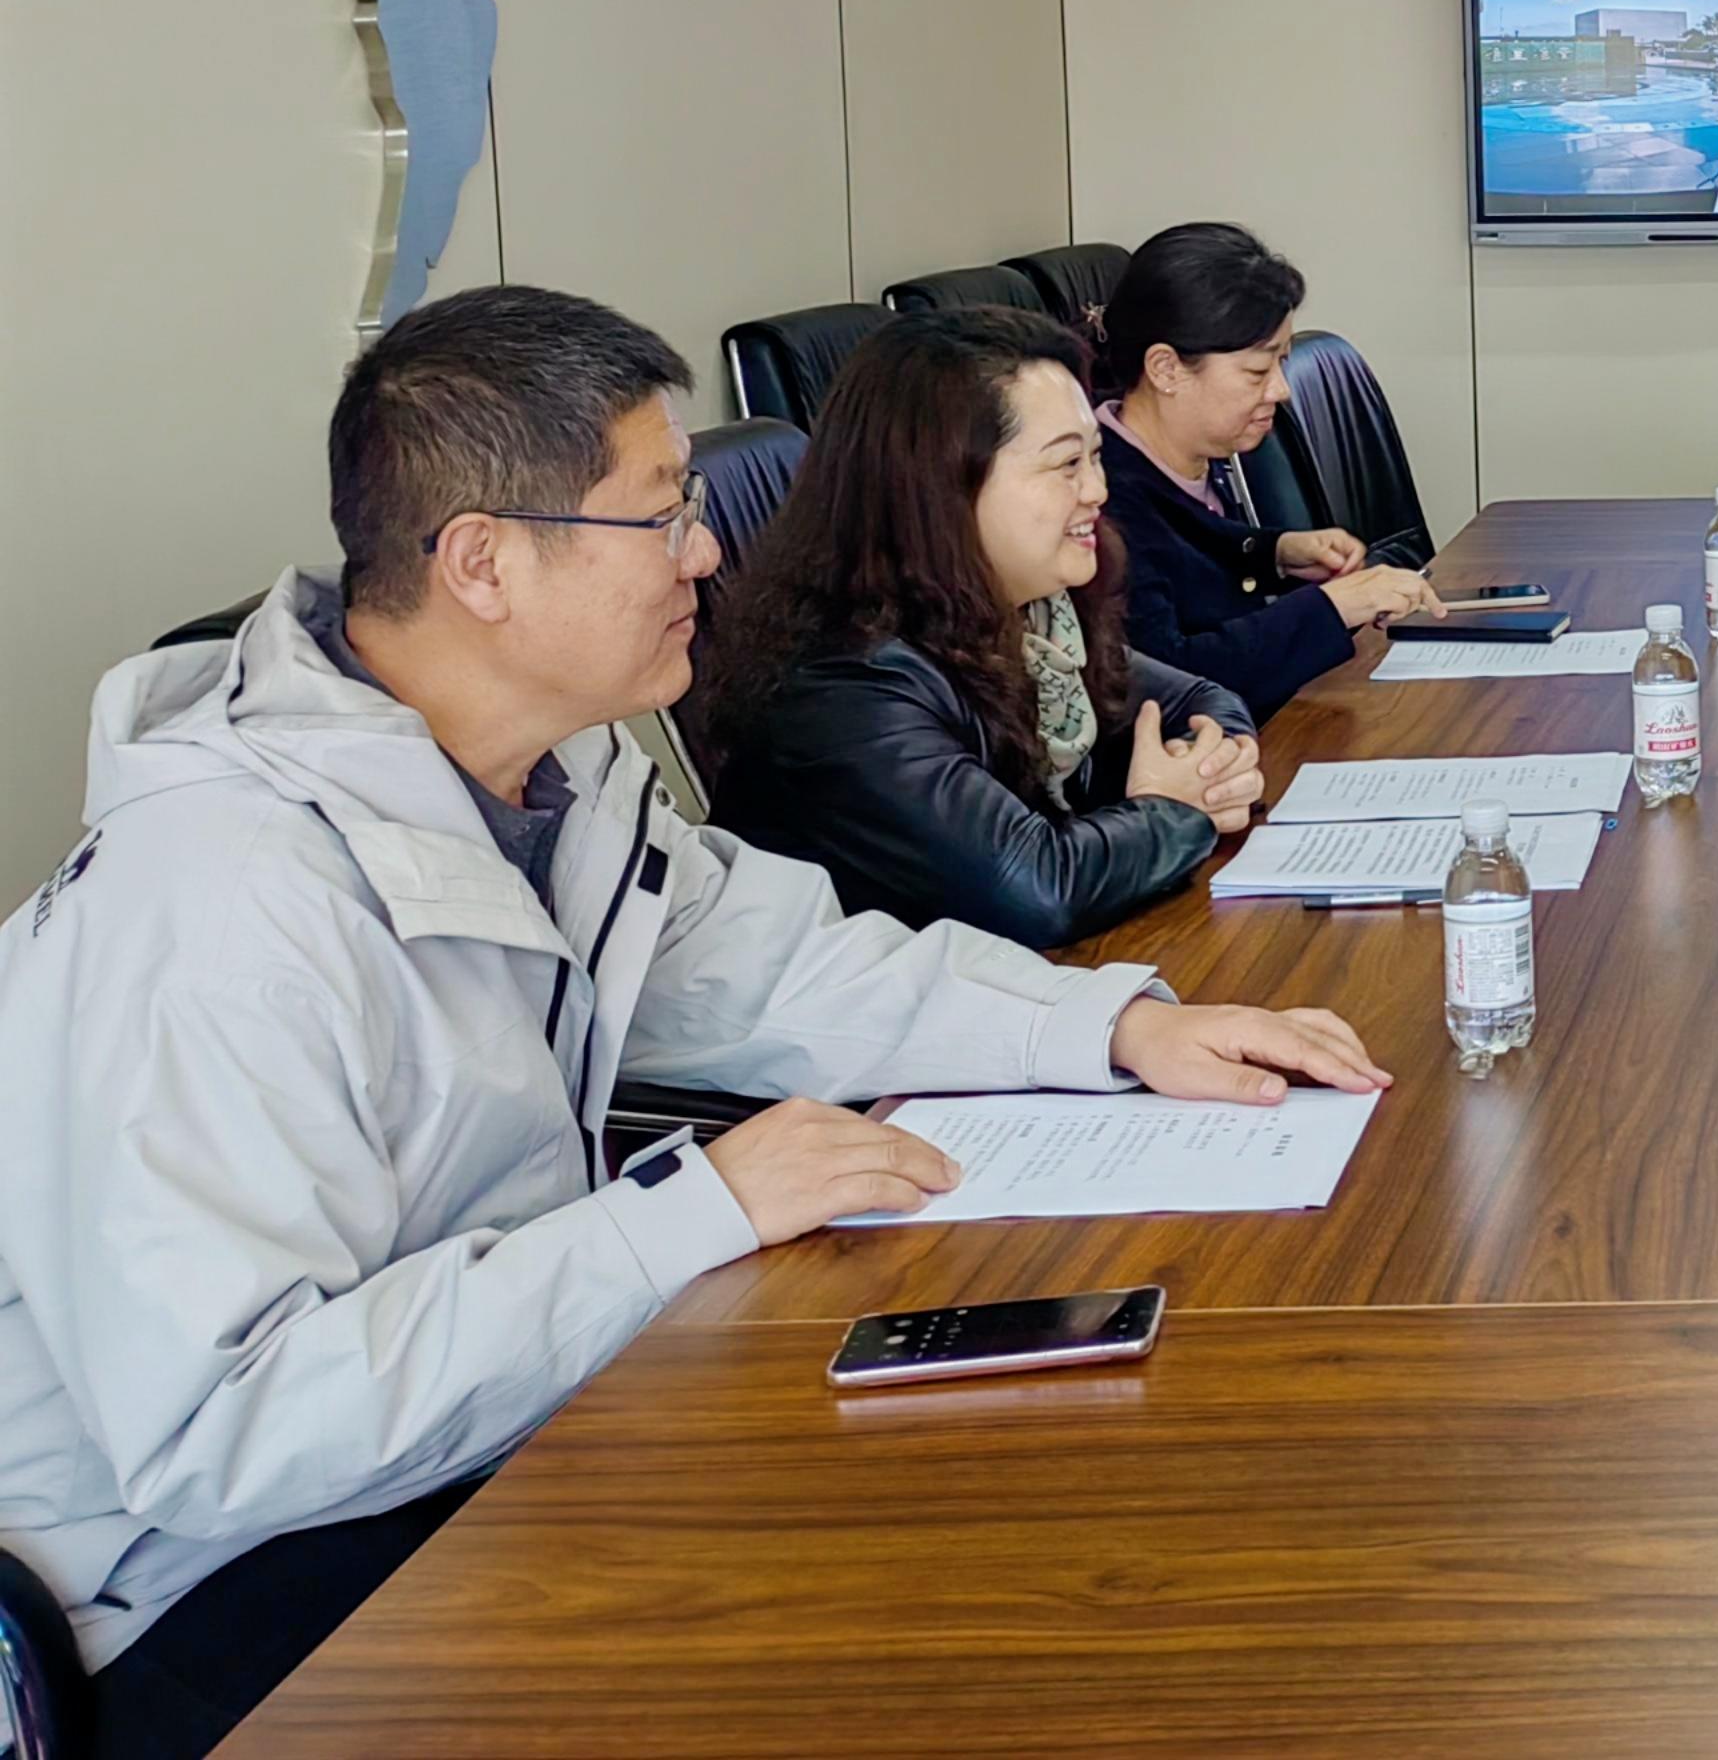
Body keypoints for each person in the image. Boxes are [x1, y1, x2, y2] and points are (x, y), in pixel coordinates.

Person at [0, 287, 1394, 1760]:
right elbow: (231, 1434)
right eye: (661, 514)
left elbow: (786, 970)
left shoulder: (557, 775)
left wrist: (1108, 1030)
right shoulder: (216, 908)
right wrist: (689, 1210)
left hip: (462, 1439)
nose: (709, 551)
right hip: (186, 1592)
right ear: (482, 562)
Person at [696, 309, 1268, 947]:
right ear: (944, 486)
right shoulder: (845, 681)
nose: (1097, 490)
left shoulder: (1036, 614)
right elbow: (1037, 889)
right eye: (1066, 464)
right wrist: (1173, 811)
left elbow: (1201, 700)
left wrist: (1210, 766)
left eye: (1095, 457)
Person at [1093, 222, 1440, 711]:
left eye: (1281, 363)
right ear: (1166, 369)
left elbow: (1194, 555)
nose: (1281, 389)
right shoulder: (1101, 497)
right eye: (1257, 371)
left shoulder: (1196, 457)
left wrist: (1276, 554)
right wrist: (1334, 607)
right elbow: (1172, 678)